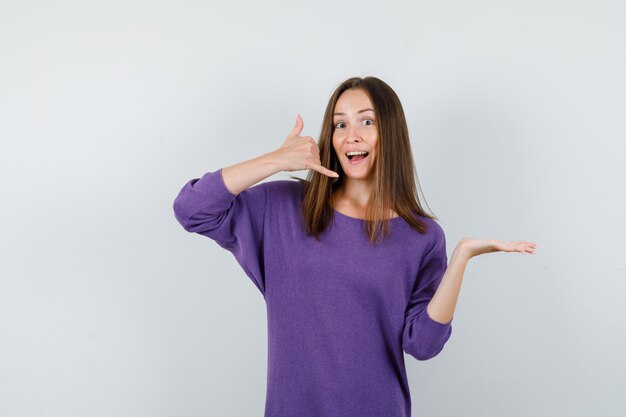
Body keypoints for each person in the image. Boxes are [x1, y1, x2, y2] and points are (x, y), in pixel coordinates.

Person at [172, 76, 537, 417]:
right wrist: (277, 160)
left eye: (366, 121)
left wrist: (461, 257)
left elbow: (423, 345)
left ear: (389, 133)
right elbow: (191, 209)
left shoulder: (421, 235)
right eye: (340, 124)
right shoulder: (282, 208)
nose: (351, 136)